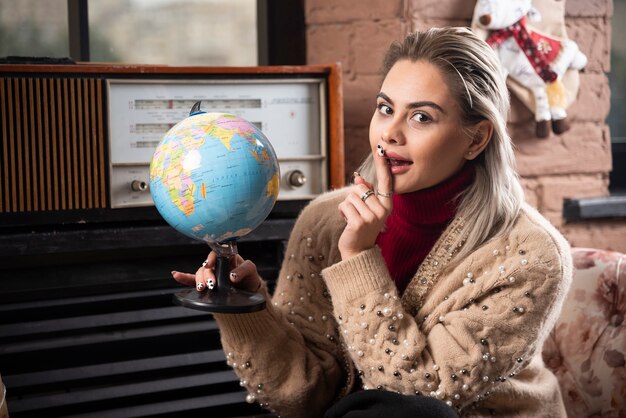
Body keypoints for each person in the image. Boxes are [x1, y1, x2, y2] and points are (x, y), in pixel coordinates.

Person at [172, 26, 572, 418]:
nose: (390, 133)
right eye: (385, 109)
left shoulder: (531, 256)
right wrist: (245, 305)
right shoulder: (324, 222)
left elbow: (417, 395)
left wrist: (358, 258)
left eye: (421, 117)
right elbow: (302, 397)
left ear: (476, 139)